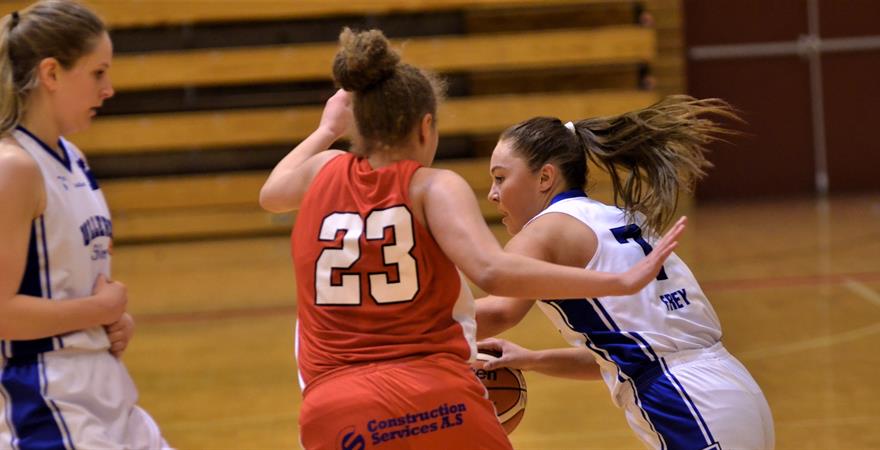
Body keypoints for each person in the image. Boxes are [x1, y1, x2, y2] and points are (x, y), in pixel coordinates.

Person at [259, 27, 685, 450]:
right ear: (425, 127)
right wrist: (619, 282)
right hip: (434, 398)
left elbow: (271, 194)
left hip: (336, 408)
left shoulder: (322, 171)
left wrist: (327, 129)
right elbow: (493, 272)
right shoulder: (432, 186)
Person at [474, 96, 775, 449]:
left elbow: (498, 312)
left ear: (545, 178)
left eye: (500, 178)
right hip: (733, 389)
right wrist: (532, 359)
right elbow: (625, 358)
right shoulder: (622, 217)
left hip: (685, 402)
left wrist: (401, 322)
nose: (493, 195)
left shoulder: (542, 232)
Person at [0, 2, 168, 448]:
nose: (109, 88)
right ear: (51, 74)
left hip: (104, 384)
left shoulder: (74, 159)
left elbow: (70, 288)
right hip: (46, 397)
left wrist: (111, 322)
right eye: (98, 73)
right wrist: (99, 312)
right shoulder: (13, 168)